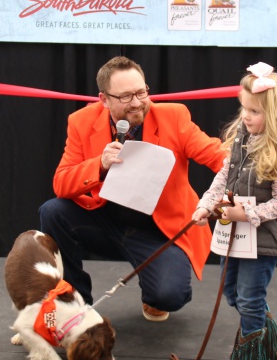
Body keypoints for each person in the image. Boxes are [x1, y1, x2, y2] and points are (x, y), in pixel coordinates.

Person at [39, 56, 226, 322]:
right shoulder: (81, 121)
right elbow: (61, 183)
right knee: (53, 211)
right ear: (104, 100)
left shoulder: (174, 116)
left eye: (141, 92)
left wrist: (258, 164)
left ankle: (153, 293)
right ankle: (76, 304)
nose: (137, 102)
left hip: (159, 231)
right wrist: (99, 166)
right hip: (105, 223)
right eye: (126, 97)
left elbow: (214, 153)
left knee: (169, 296)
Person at [191, 62, 277, 360]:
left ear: (275, 115)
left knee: (248, 298)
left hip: (263, 239)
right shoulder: (240, 140)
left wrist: (250, 214)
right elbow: (223, 178)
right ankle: (265, 334)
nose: (246, 116)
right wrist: (205, 204)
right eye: (244, 107)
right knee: (233, 293)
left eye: (255, 111)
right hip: (236, 234)